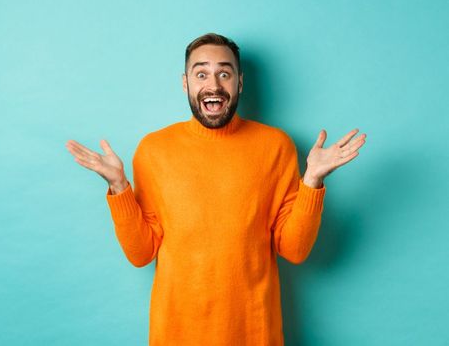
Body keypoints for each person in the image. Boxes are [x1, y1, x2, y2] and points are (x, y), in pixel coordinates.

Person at [64, 33, 366, 345]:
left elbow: (295, 249)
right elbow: (141, 254)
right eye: (201, 73)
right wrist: (119, 187)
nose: (214, 85)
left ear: (240, 83)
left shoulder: (276, 146)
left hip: (254, 333)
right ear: (185, 84)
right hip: (177, 334)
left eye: (224, 73)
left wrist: (312, 180)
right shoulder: (154, 150)